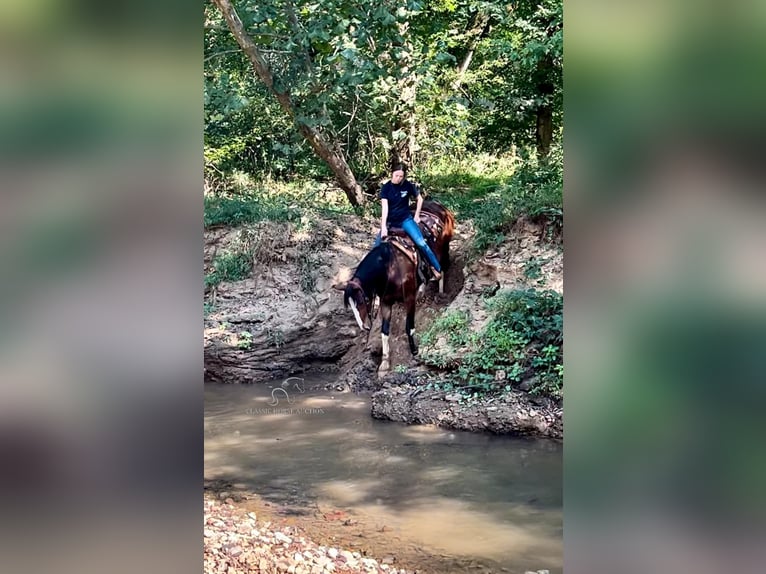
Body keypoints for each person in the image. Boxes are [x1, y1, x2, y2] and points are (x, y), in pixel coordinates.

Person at [374, 165, 442, 280]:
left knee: (421, 243)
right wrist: (383, 227)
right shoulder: (385, 188)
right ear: (391, 174)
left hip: (405, 220)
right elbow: (384, 208)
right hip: (391, 222)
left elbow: (419, 199)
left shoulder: (408, 185)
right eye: (396, 175)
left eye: (401, 176)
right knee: (375, 248)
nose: (398, 178)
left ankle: (436, 268)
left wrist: (416, 216)